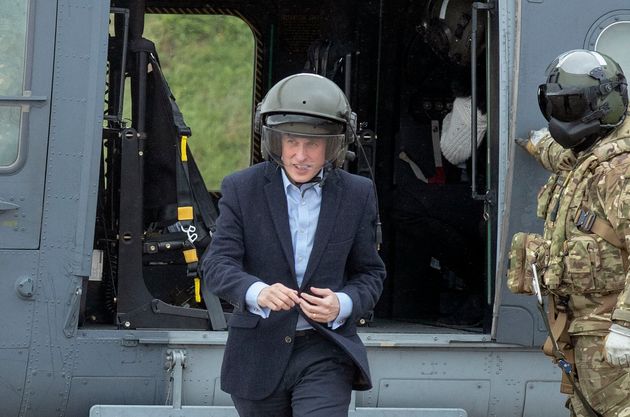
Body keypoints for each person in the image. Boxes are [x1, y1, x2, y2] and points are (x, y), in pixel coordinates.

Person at [201, 73, 386, 417]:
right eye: (291, 143)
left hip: (325, 351)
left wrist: (341, 304)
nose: (300, 155)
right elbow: (216, 265)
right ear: (275, 141)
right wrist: (257, 292)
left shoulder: (357, 194)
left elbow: (370, 274)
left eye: (312, 144)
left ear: (333, 146)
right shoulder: (243, 188)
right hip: (257, 356)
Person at [512, 49, 630, 416]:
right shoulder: (586, 153)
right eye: (558, 108)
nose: (564, 119)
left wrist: (626, 326)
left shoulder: (620, 171)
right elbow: (552, 148)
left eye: (572, 107)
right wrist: (531, 141)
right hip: (583, 333)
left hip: (610, 335)